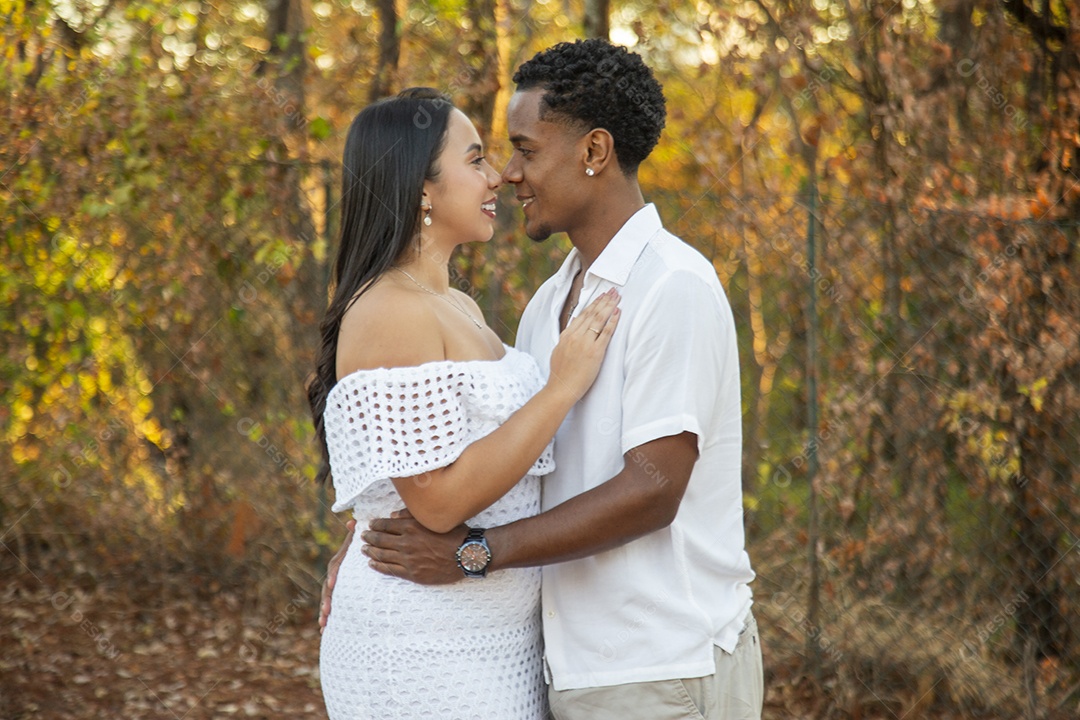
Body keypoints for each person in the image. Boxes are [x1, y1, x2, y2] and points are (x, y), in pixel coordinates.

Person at [325, 40, 763, 720]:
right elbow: (479, 459)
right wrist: (375, 528)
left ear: (593, 153)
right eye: (490, 156)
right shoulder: (545, 310)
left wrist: (475, 554)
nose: (508, 173)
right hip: (557, 664)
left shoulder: (671, 286)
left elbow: (652, 489)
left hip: (661, 666)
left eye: (525, 150)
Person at [308, 87, 621, 719]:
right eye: (475, 160)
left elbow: (427, 459)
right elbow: (438, 500)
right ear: (421, 187)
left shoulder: (457, 304)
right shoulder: (388, 309)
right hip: (422, 648)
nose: (497, 177)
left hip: (490, 640)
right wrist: (562, 387)